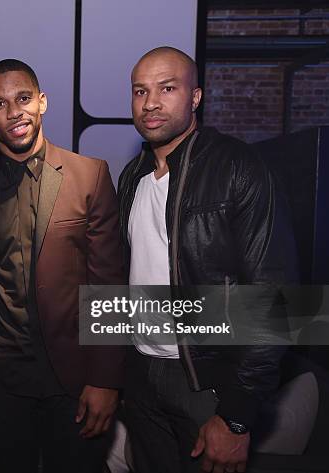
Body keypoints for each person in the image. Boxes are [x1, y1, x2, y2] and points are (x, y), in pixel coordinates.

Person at [117, 46, 295, 473]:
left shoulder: (239, 167)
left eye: (167, 88)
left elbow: (275, 296)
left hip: (206, 381)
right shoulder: (131, 177)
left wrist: (237, 415)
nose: (151, 102)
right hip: (141, 377)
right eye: (140, 91)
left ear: (195, 97)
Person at [0, 59, 126, 473]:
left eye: (23, 98)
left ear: (42, 102)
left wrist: (105, 379)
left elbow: (109, 284)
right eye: (0, 103)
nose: (14, 112)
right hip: (0, 379)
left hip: (75, 377)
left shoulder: (91, 175)